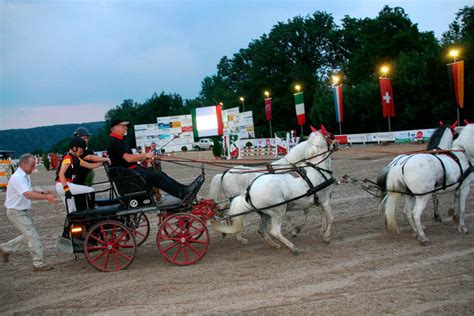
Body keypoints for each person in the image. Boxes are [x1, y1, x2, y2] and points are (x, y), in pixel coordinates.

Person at [107, 118, 200, 201]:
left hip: (131, 171)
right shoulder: (115, 142)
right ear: (115, 127)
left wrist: (145, 156)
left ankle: (183, 189)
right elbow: (128, 158)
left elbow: (127, 158)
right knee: (157, 176)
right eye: (123, 126)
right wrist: (146, 155)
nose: (126, 128)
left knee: (159, 173)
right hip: (129, 175)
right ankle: (182, 193)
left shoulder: (118, 141)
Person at [0, 154, 57, 272]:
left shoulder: (24, 176)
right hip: (15, 212)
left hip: (20, 211)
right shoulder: (18, 178)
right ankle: (38, 264)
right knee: (32, 236)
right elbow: (28, 194)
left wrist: (43, 193)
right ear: (23, 164)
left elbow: (30, 190)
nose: (33, 168)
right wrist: (46, 198)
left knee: (28, 236)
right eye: (32, 166)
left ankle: (5, 248)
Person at [55, 137, 103, 213]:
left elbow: (89, 165)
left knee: (72, 212)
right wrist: (66, 189)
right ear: (74, 148)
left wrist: (102, 163)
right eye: (81, 149)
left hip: (63, 185)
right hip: (64, 185)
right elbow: (61, 174)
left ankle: (74, 224)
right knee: (90, 190)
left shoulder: (75, 158)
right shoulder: (68, 158)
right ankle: (92, 212)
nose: (82, 151)